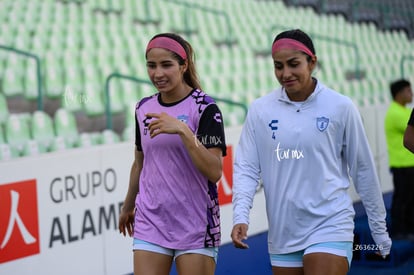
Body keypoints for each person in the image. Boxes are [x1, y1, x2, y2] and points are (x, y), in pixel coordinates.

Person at [231, 29, 391, 275]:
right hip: (283, 232)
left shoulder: (341, 106)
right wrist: (240, 216)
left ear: (312, 62)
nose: (285, 74)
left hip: (330, 223)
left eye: (293, 64)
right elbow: (247, 168)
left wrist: (378, 230)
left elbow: (363, 169)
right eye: (278, 66)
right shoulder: (260, 110)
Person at [118, 32, 227, 275]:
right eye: (151, 65)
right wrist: (127, 206)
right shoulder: (143, 108)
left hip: (195, 223)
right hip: (150, 220)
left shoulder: (205, 108)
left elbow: (214, 171)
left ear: (183, 65)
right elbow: (139, 163)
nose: (157, 74)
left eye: (166, 65)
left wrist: (184, 131)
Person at [384, 79, 414, 240]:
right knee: (403, 199)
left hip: (409, 162)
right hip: (402, 164)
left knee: (409, 199)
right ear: (399, 93)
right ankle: (399, 231)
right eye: (408, 91)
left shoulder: (404, 111)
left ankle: (408, 229)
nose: (412, 94)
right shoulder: (396, 113)